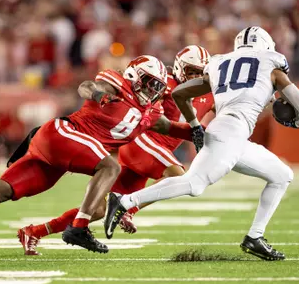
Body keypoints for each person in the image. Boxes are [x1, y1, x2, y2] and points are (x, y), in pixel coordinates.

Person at [0, 55, 197, 254]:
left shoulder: (149, 112)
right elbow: (87, 85)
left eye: (157, 87)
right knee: (110, 166)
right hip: (63, 134)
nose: (154, 91)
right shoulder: (116, 85)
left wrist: (202, 133)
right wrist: (99, 95)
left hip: (65, 152)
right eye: (149, 84)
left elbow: (174, 128)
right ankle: (77, 230)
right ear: (134, 76)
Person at [104, 27, 299, 261]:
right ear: (265, 45)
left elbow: (180, 93)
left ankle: (255, 237)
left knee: (281, 175)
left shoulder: (220, 64)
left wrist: (194, 124)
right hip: (230, 133)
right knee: (194, 184)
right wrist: (298, 121)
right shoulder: (271, 65)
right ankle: (125, 200)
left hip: (232, 134)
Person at [16, 46, 214, 256]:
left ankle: (35, 232)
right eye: (192, 71)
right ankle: (129, 209)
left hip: (153, 154)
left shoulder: (211, 94)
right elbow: (136, 98)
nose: (196, 76)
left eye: (200, 72)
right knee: (178, 175)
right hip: (141, 143)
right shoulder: (165, 83)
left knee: (98, 209)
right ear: (179, 67)